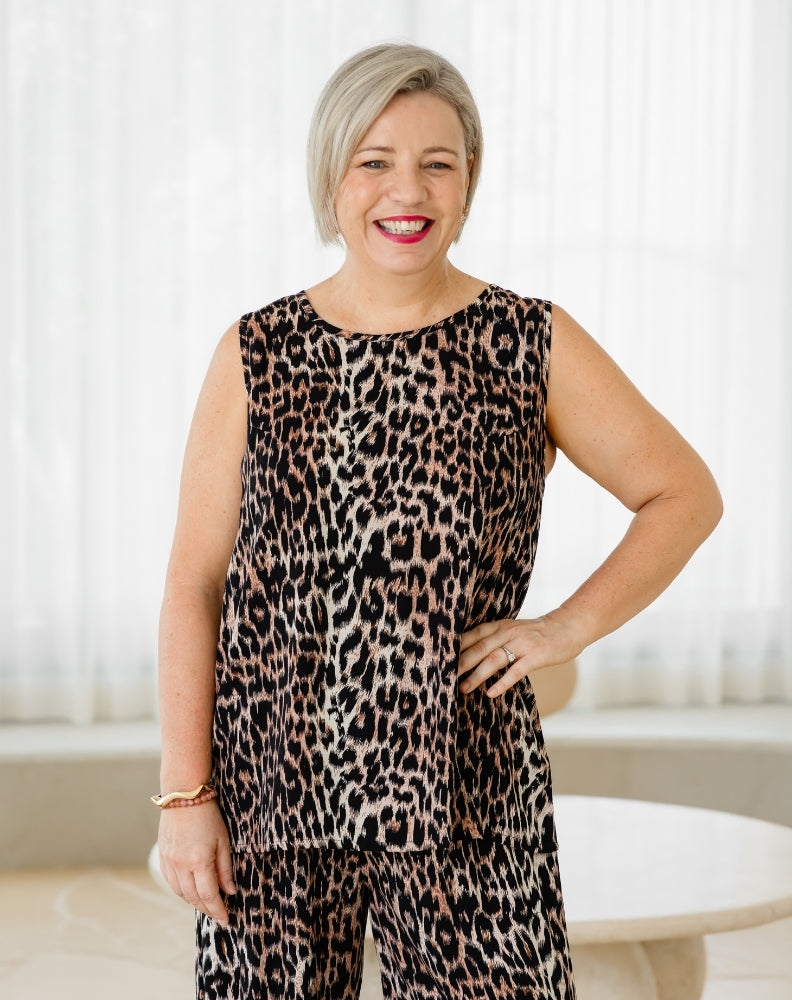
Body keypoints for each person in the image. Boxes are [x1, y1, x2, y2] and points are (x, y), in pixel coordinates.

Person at [154, 42, 722, 1000]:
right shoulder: (255, 352)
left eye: (437, 162)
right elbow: (192, 587)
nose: (404, 189)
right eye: (373, 159)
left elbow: (683, 495)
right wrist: (185, 795)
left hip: (471, 780)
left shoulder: (528, 341)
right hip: (272, 781)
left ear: (469, 182)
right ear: (330, 173)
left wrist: (563, 628)